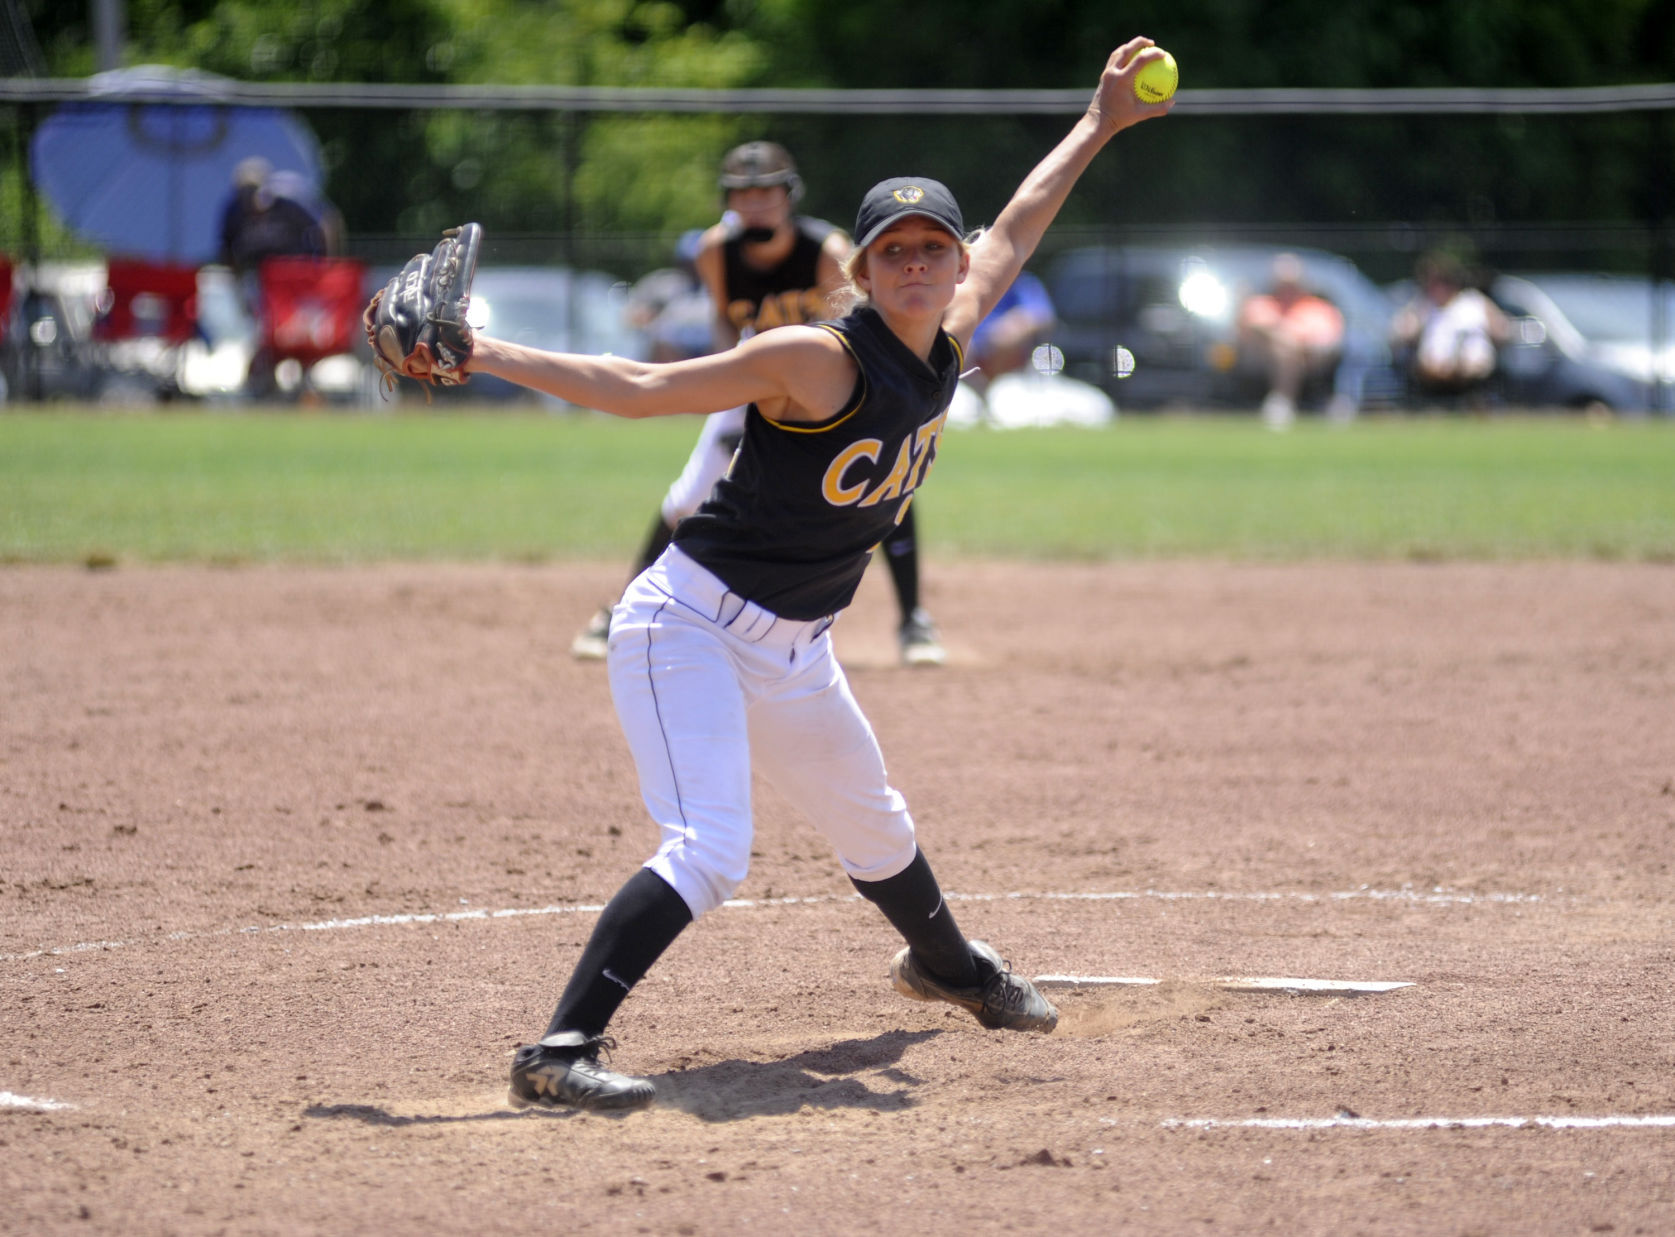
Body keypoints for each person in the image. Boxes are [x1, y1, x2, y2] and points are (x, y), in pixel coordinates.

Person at [451, 39, 1172, 1112]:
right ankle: (555, 1049)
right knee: (710, 846)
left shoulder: (957, 322)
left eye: (934, 247)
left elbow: (1018, 221)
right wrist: (481, 349)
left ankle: (949, 968)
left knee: (875, 822)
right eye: (895, 252)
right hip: (688, 622)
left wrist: (1099, 123)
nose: (918, 265)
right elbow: (643, 382)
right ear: (863, 269)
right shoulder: (817, 358)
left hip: (794, 645)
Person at [571, 141, 948, 669]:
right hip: (753, 378)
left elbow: (857, 321)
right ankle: (622, 608)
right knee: (688, 497)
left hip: (834, 381)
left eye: (767, 191)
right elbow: (726, 321)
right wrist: (737, 387)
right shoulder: (713, 250)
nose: (755, 203)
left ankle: (913, 619)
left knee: (884, 478)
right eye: (742, 193)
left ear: (788, 196)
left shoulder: (825, 250)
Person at [216, 157, 342, 397]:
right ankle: (266, 386)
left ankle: (303, 382)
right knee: (264, 334)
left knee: (296, 333)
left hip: (295, 280)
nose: (248, 196)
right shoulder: (234, 212)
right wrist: (237, 287)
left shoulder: (286, 205)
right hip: (259, 281)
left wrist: (326, 264)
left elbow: (326, 224)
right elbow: (228, 251)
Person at [1235, 252, 1346, 430]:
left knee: (1303, 350)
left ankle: (1316, 399)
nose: (1287, 291)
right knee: (1282, 349)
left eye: (1291, 285)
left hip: (1312, 360)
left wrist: (1299, 345)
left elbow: (1330, 337)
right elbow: (1256, 327)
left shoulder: (1317, 307)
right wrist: (1287, 340)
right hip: (1264, 362)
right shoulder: (1262, 303)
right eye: (1282, 285)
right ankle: (1282, 401)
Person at [1390, 251, 1510, 406]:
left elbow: (1503, 330)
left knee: (1471, 363)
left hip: (1470, 367)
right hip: (1433, 369)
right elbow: (1401, 331)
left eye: (1441, 283)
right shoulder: (1424, 306)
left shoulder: (1474, 302)